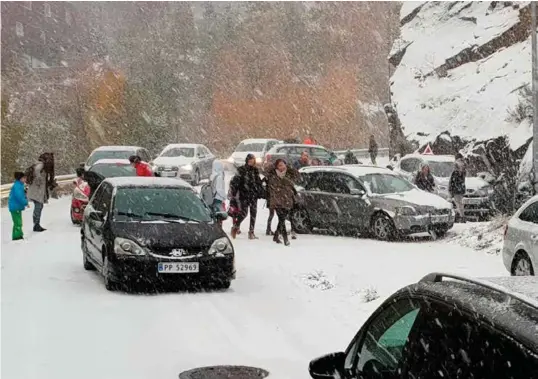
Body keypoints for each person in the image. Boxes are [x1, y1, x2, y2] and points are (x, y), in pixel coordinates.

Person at [230, 154, 264, 239]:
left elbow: (258, 181)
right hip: (244, 195)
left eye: (253, 160)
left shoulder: (255, 170)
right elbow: (235, 181)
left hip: (253, 195)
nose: (251, 162)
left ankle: (251, 232)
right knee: (243, 213)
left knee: (253, 213)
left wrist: (260, 190)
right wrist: (234, 192)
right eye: (250, 160)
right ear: (247, 160)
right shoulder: (241, 170)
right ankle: (235, 226)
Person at [266, 159, 297, 246]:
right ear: (276, 166)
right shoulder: (273, 175)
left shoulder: (289, 174)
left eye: (283, 165)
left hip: (287, 200)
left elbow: (297, 176)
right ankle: (285, 239)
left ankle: (276, 235)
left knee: (282, 219)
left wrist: (290, 169)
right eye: (279, 165)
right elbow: (272, 187)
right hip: (276, 200)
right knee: (281, 219)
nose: (282, 167)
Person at [26, 152, 56, 232]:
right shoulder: (41, 165)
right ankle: (36, 225)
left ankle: (36, 224)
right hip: (37, 191)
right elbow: (37, 171)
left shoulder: (41, 165)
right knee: (38, 207)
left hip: (37, 191)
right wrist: (39, 181)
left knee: (39, 206)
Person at [8, 171, 29, 241]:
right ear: (20, 179)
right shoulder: (17, 186)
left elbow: (21, 195)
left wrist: (25, 192)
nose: (25, 179)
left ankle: (17, 235)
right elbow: (19, 197)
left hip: (16, 206)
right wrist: (25, 202)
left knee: (17, 222)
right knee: (18, 222)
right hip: (15, 207)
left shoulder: (19, 185)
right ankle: (17, 237)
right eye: (24, 178)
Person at [449, 153, 467, 223]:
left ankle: (462, 217)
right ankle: (461, 216)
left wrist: (451, 189)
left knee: (458, 203)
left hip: (457, 189)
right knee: (459, 203)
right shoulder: (463, 166)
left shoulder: (457, 167)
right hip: (460, 188)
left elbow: (453, 180)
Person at [210, 160, 227, 227]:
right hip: (218, 199)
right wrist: (224, 196)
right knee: (220, 216)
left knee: (215, 216)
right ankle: (219, 229)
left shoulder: (212, 175)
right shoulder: (219, 177)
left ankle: (215, 228)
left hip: (213, 198)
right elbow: (219, 189)